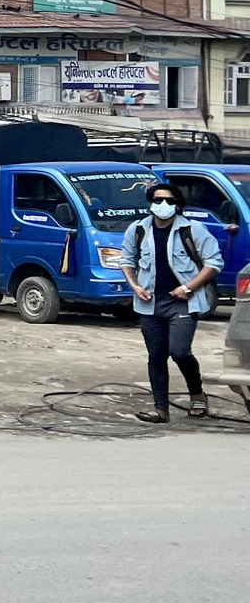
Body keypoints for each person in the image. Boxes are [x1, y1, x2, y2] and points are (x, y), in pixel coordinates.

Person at [119, 181, 221, 424]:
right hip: (150, 302)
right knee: (156, 356)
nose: (163, 205)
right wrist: (134, 286)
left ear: (178, 205)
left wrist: (188, 287)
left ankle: (197, 394)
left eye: (170, 201)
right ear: (150, 203)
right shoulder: (138, 229)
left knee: (180, 352)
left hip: (183, 302)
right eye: (157, 200)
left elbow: (214, 263)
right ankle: (160, 409)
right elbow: (126, 259)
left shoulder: (193, 229)